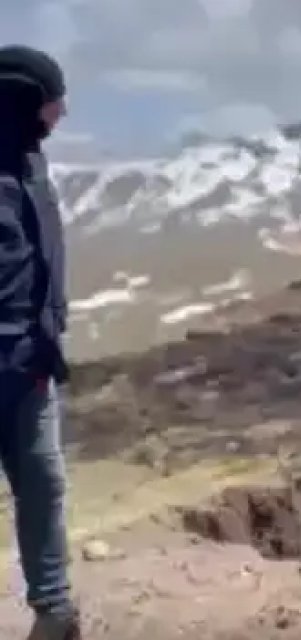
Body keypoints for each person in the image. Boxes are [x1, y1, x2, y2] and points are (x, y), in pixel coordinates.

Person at [0, 44, 78, 640]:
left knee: (44, 485)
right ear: (26, 102)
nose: (63, 112)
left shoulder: (32, 161)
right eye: (54, 100)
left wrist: (50, 331)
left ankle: (55, 616)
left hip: (32, 365)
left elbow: (44, 254)